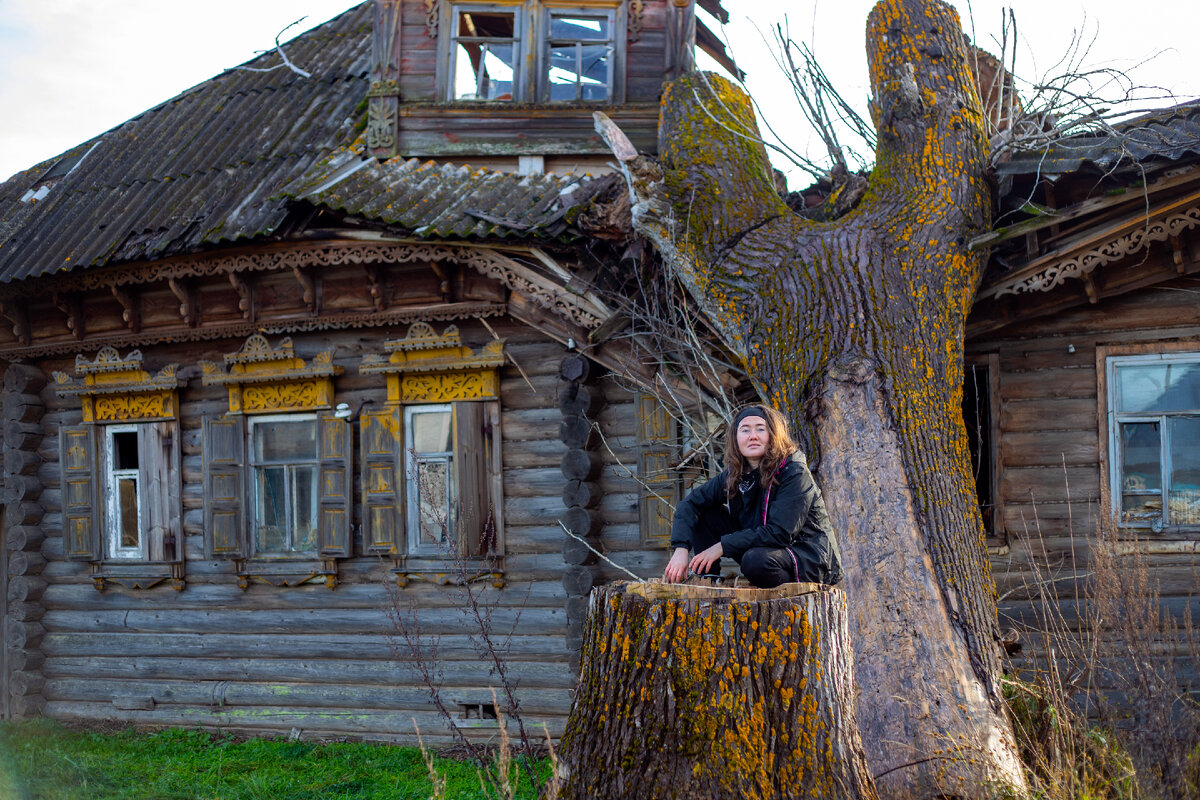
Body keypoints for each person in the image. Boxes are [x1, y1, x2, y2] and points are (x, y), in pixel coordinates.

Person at [663, 405, 843, 588]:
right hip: (764, 551)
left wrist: (721, 546)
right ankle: (707, 581)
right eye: (745, 430)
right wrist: (681, 548)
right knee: (704, 512)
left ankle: (786, 599)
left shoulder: (793, 472)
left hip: (807, 557)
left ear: (773, 434)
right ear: (736, 438)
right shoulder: (734, 475)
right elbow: (690, 504)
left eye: (760, 429)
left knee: (755, 562)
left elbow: (779, 533)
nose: (753, 436)